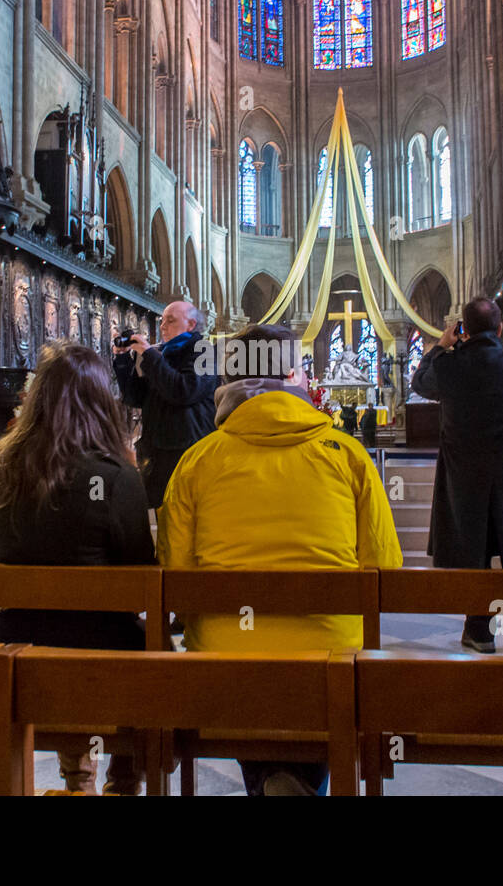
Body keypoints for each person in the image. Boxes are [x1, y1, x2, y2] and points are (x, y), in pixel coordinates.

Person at [158, 324, 401, 796]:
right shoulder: (349, 457)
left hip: (226, 668)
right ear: (295, 377)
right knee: (309, 691)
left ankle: (273, 780)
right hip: (332, 666)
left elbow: (176, 577)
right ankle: (287, 782)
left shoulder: (196, 462)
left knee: (248, 681)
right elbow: (385, 572)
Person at [0, 343, 155, 795]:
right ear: (100, 404)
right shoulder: (115, 477)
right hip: (103, 659)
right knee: (144, 652)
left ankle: (78, 780)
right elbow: (140, 583)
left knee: (63, 630)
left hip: (18, 646)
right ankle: (123, 781)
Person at [411, 298, 503, 655]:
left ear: (464, 331)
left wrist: (440, 347)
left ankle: (480, 632)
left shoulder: (449, 366)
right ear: (502, 328)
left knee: (473, 554)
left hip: (465, 478)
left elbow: (419, 383)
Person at [112, 302, 218, 508]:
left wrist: (150, 356)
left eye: (171, 321)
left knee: (189, 516)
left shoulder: (203, 352)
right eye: (162, 321)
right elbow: (135, 398)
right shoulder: (161, 353)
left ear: (191, 325)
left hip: (189, 450)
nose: (163, 326)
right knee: (162, 515)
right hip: (157, 452)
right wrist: (123, 359)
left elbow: (184, 391)